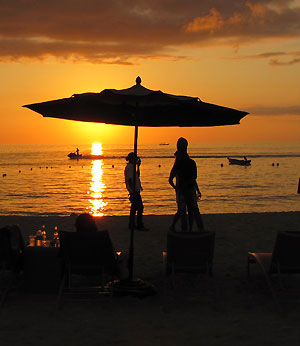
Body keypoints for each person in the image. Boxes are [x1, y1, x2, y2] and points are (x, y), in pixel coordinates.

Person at [74, 213, 129, 280]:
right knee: (124, 256)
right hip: (101, 272)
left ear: (77, 225)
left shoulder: (72, 239)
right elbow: (110, 255)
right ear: (93, 224)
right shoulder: (102, 238)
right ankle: (124, 281)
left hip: (78, 272)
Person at [169, 137, 204, 232]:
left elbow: (193, 178)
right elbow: (192, 179)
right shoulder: (183, 163)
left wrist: (176, 188)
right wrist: (177, 188)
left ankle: (189, 229)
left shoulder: (186, 162)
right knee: (188, 210)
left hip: (186, 190)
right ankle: (189, 229)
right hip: (185, 190)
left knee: (187, 210)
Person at [124, 152, 148, 231]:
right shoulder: (130, 167)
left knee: (134, 208)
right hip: (134, 191)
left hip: (134, 190)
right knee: (139, 207)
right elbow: (130, 180)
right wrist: (133, 191)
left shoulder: (132, 167)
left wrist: (138, 166)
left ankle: (132, 224)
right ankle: (139, 225)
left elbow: (137, 176)